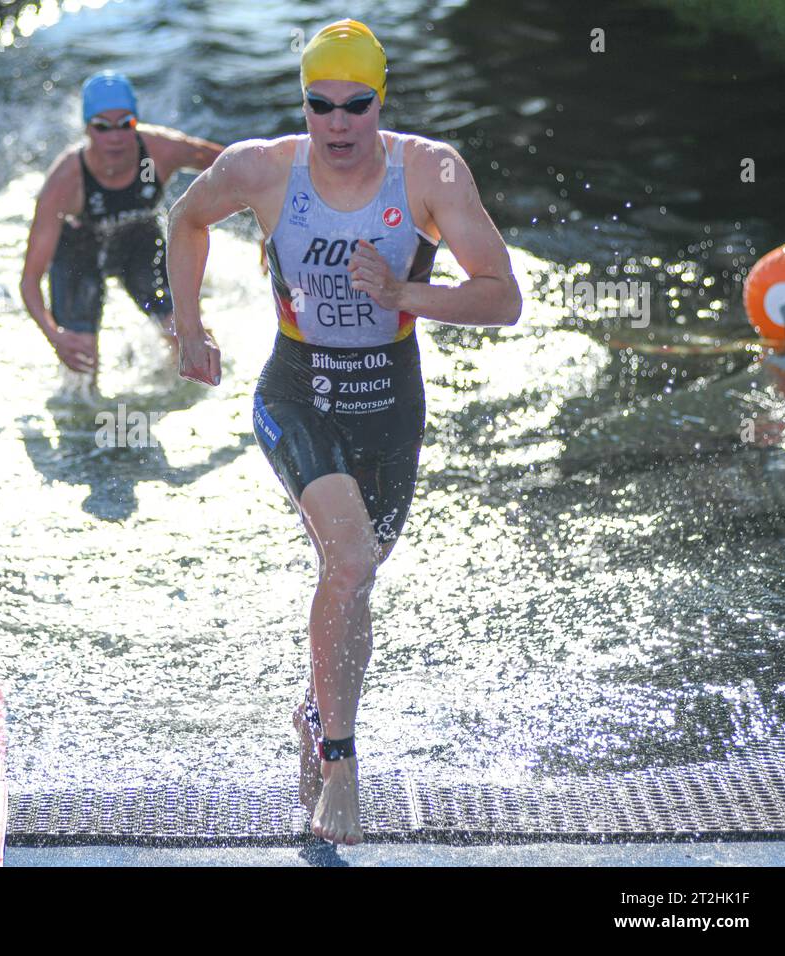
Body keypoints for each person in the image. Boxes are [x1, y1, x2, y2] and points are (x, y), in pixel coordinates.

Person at [166, 20, 522, 845]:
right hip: (297, 394)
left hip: (392, 406)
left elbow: (502, 297)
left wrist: (404, 292)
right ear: (304, 106)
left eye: (355, 106)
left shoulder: (430, 172)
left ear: (379, 101)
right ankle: (341, 760)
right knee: (351, 556)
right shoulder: (263, 170)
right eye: (319, 106)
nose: (336, 125)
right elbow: (187, 220)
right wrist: (190, 329)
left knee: (354, 579)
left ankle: (313, 713)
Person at [20, 72, 223, 388]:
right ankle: (88, 431)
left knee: (186, 337)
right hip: (79, 256)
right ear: (87, 129)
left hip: (139, 246)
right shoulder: (65, 181)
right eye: (102, 126)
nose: (114, 136)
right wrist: (54, 335)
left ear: (136, 122)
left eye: (125, 124)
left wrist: (270, 221)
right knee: (81, 367)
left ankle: (198, 401)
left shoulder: (161, 151)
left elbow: (239, 166)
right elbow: (30, 279)